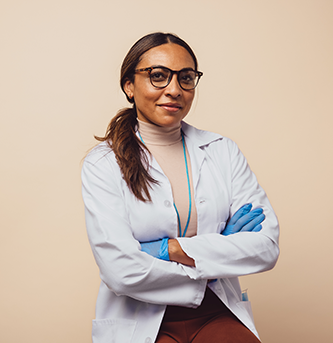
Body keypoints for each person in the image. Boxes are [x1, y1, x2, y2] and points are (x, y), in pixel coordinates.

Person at [81, 32, 279, 343]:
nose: (174, 89)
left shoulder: (222, 150)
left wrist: (170, 250)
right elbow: (120, 271)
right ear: (129, 85)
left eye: (185, 78)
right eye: (157, 76)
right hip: (140, 318)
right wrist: (214, 258)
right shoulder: (103, 163)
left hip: (216, 310)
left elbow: (265, 248)